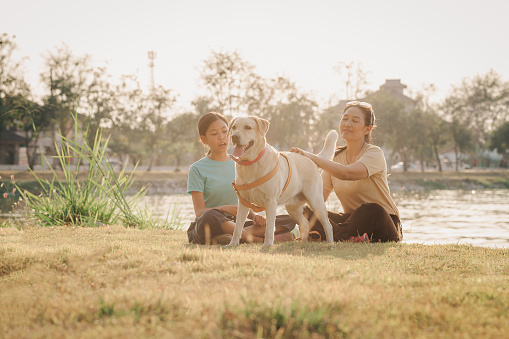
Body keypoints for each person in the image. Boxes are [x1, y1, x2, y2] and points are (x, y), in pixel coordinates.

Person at [289, 101, 402, 243]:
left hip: (382, 222)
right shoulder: (336, 158)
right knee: (307, 211)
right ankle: (346, 237)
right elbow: (317, 198)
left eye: (355, 121)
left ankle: (330, 235)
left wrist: (312, 157)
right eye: (345, 119)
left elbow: (347, 173)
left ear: (367, 129)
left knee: (371, 210)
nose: (348, 124)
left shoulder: (374, 153)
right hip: (351, 222)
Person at [187, 112, 296, 245]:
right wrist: (223, 208)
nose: (222, 137)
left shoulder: (243, 164)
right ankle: (255, 239)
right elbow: (199, 212)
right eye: (214, 134)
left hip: (238, 223)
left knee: (288, 219)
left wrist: (255, 217)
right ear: (204, 139)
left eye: (225, 132)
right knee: (208, 217)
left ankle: (232, 235)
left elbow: (245, 201)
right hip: (210, 223)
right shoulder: (197, 168)